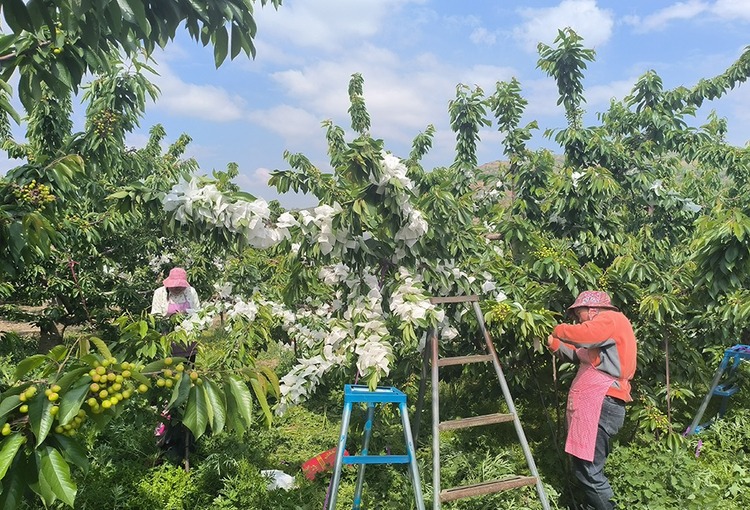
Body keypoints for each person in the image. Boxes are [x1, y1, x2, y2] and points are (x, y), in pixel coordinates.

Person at [547, 290, 637, 510]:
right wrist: (550, 341)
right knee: (586, 467)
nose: (578, 320)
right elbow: (576, 352)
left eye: (579, 314)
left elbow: (584, 335)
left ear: (593, 309)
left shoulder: (610, 319)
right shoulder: (601, 340)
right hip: (597, 403)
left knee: (588, 470)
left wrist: (556, 329)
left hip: (602, 402)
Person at [150, 267, 201, 360]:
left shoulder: (191, 292)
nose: (177, 288)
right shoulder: (159, 293)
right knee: (168, 367)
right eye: (174, 285)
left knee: (188, 367)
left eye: (180, 286)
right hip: (166, 336)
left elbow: (197, 312)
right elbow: (155, 316)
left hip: (188, 337)